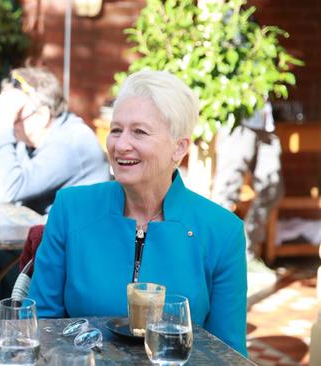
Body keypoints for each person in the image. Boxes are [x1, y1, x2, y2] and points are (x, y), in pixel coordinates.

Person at [28, 70, 248, 355]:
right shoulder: (71, 208)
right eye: (116, 130)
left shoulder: (222, 231)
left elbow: (228, 353)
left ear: (179, 148)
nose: (120, 145)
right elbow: (38, 324)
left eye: (139, 132)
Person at [0, 67, 110, 215]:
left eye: (14, 114)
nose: (9, 121)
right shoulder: (28, 141)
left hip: (79, 236)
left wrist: (3, 126)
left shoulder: (71, 142)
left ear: (42, 116)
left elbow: (8, 191)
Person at [212, 100, 283, 272]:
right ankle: (218, 258)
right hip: (238, 119)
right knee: (226, 193)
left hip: (266, 124)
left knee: (273, 188)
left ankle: (247, 254)